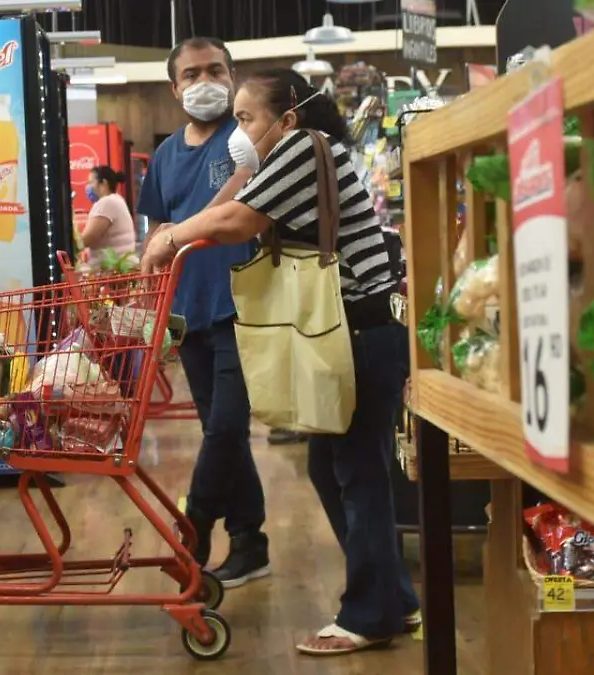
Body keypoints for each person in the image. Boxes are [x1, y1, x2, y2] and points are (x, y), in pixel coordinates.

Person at [140, 68, 421, 656]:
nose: (237, 131)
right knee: (335, 466)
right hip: (358, 334)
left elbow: (234, 220)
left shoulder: (300, 148)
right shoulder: (304, 151)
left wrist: (167, 239)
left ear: (287, 118)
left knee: (357, 472)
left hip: (362, 336)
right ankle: (393, 597)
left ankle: (372, 615)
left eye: (246, 119)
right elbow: (234, 200)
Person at [136, 36, 270, 589]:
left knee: (226, 428)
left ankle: (193, 529)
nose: (204, 82)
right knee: (224, 433)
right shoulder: (166, 155)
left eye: (216, 70)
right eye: (191, 74)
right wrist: (156, 316)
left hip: (244, 308)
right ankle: (250, 542)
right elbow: (157, 237)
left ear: (233, 76)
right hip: (189, 315)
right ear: (174, 87)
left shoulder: (249, 140)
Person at [80, 165, 137, 265]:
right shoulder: (116, 200)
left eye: (91, 182)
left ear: (104, 183)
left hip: (114, 269)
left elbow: (86, 240)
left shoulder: (107, 203)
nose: (87, 187)